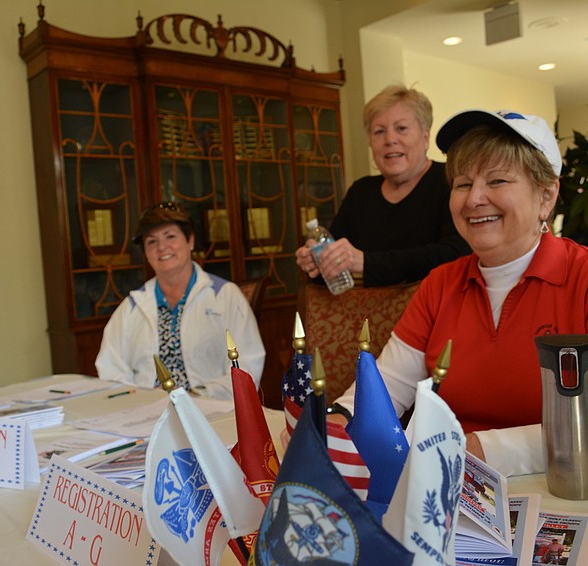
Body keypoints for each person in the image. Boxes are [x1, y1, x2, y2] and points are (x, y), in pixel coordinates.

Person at [333, 109, 588, 476]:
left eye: (498, 180)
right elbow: (383, 390)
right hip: (454, 489)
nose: (474, 199)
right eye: (463, 184)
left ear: (547, 195)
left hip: (567, 490)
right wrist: (332, 426)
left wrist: (481, 448)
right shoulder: (439, 284)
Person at [295, 83, 470, 288]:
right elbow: (335, 266)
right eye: (379, 131)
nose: (389, 139)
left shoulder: (451, 181)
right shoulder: (360, 192)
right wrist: (317, 260)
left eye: (401, 128)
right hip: (367, 315)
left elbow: (456, 255)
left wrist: (365, 262)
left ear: (425, 137)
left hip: (438, 311)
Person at [95, 202, 265, 399]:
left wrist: (195, 395)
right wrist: (144, 399)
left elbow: (246, 367)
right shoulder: (132, 306)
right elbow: (111, 371)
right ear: (146, 253)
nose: (161, 247)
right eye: (151, 242)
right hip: (148, 413)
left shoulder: (225, 296)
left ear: (190, 240)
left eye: (170, 236)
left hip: (212, 411)